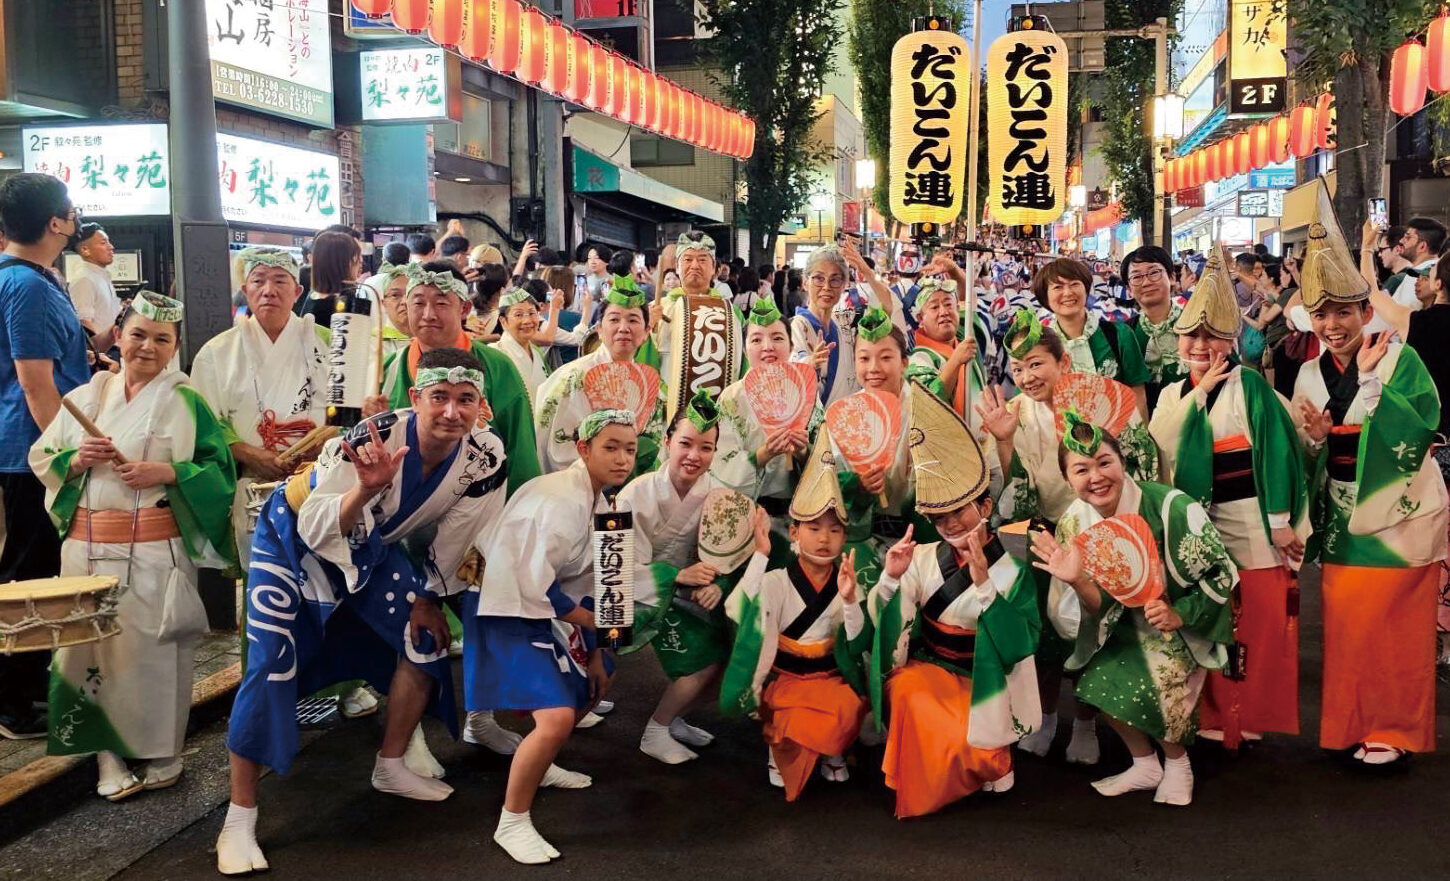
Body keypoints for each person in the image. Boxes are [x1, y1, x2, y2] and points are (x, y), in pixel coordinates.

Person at [217, 349, 510, 874]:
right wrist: (365, 488)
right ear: (415, 397)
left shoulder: (485, 455)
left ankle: (391, 764)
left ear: (480, 405)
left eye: (466, 399)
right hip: (294, 540)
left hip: (372, 547)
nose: (451, 411)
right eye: (439, 397)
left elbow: (463, 532)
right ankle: (239, 817)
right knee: (270, 665)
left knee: (424, 640)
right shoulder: (371, 437)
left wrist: (429, 598)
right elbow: (316, 524)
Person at [31, 291, 236, 798]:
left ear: (175, 348)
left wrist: (167, 472)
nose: (147, 347)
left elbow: (219, 471)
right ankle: (107, 758)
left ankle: (165, 752)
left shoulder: (186, 400)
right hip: (85, 548)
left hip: (154, 551)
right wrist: (76, 460)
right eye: (138, 334)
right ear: (118, 336)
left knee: (155, 655)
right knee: (86, 653)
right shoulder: (86, 397)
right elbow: (43, 456)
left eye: (161, 339)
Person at [1292, 193, 1447, 765]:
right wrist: (1315, 439)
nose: (1332, 325)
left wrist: (1370, 383)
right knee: (1348, 628)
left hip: (1398, 513)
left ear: (1365, 310)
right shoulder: (1307, 372)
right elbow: (1307, 449)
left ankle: (1393, 731)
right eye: (1321, 314)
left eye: (1343, 312)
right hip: (1343, 515)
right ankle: (1350, 725)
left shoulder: (1399, 357)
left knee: (1397, 625)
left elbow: (1421, 424)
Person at [975, 309, 1157, 763]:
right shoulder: (1013, 412)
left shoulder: (1099, 401)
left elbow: (1140, 462)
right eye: (1018, 368)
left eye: (1037, 363)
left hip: (1099, 527)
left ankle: (1086, 722)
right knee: (1044, 633)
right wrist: (1004, 442)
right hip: (1042, 531)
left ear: (1063, 362)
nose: (1027, 376)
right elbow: (1012, 502)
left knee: (1092, 628)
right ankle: (1047, 715)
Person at [1148, 249, 1310, 748]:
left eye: (1212, 335)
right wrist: (1199, 394)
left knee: (1256, 622)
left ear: (1232, 338)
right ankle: (1211, 713)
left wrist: (1280, 522)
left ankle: (1250, 714)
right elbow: (1160, 444)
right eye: (1191, 335)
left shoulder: (1252, 387)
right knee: (1207, 620)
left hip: (1251, 521)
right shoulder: (1173, 393)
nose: (1201, 345)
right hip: (1196, 525)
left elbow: (1278, 451)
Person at [1030, 413, 1236, 806]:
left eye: (1104, 462)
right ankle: (1145, 763)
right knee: (1092, 678)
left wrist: (1180, 612)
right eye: (1081, 470)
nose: (1096, 477)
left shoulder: (1172, 507)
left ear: (1123, 462)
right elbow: (1094, 607)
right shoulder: (1074, 522)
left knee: (1159, 673)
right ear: (1068, 480)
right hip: (1116, 625)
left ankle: (1178, 763)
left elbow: (1221, 573)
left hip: (1178, 623)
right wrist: (1077, 581)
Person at [463, 410, 636, 864]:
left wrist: (597, 650)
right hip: (503, 603)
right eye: (611, 447)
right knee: (556, 717)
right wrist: (590, 621)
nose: (622, 459)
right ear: (583, 449)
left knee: (599, 676)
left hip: (541, 601)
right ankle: (512, 820)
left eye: (630, 450)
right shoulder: (561, 499)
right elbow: (531, 581)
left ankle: (539, 762)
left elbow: (597, 584)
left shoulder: (602, 504)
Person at [870, 386, 1040, 817]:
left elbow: (1021, 645)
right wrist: (890, 579)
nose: (950, 524)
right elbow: (891, 622)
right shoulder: (922, 558)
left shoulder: (1014, 565)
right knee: (904, 688)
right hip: (933, 672)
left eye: (960, 511)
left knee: (983, 754)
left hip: (988, 682)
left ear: (985, 505)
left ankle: (991, 757)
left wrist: (985, 586)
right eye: (940, 518)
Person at [721, 440, 871, 801]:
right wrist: (760, 556)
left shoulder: (849, 580)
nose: (824, 539)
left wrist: (850, 599)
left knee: (849, 706)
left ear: (845, 537)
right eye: (814, 528)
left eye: (834, 530)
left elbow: (858, 641)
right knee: (792, 724)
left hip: (830, 678)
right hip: (786, 681)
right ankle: (782, 749)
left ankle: (833, 748)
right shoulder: (775, 581)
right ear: (794, 533)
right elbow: (738, 609)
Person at [0, 173, 93, 739]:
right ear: (55, 222)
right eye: (70, 211)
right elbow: (35, 382)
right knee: (28, 572)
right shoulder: (26, 284)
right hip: (31, 449)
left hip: (32, 443)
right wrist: (63, 455)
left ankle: (27, 685)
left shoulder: (37, 277)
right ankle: (13, 700)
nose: (75, 219)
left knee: (35, 564)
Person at [190, 248, 330, 573]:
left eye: (280, 281)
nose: (269, 290)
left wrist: (327, 443)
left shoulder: (328, 342)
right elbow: (205, 424)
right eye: (258, 281)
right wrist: (250, 455)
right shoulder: (217, 352)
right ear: (245, 289)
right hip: (254, 484)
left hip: (320, 481)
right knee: (265, 581)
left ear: (297, 291)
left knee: (322, 579)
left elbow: (351, 410)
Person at [619, 392, 733, 764]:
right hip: (645, 594)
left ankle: (675, 717)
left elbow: (728, 557)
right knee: (703, 660)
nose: (694, 455)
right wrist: (677, 576)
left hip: (690, 594)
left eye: (706, 447)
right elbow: (620, 567)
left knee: (734, 654)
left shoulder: (717, 495)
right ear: (668, 442)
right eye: (685, 443)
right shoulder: (635, 494)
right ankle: (656, 730)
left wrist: (717, 585)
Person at [372, 261, 540, 495]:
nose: (428, 315)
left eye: (441, 303)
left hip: (481, 507)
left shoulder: (498, 367)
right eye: (418, 303)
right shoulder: (388, 369)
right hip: (398, 506)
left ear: (464, 308)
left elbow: (520, 452)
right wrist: (369, 424)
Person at [534, 279, 664, 475]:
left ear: (647, 331)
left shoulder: (647, 383)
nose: (623, 328)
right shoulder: (573, 377)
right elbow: (556, 448)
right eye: (614, 320)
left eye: (633, 320)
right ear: (599, 330)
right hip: (578, 481)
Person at [712, 300, 817, 532]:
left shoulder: (807, 393)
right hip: (748, 513)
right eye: (756, 340)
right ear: (744, 350)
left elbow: (825, 459)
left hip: (799, 515)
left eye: (777, 338)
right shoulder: (731, 398)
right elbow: (721, 463)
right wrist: (763, 454)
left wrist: (802, 452)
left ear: (791, 346)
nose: (768, 347)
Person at [904, 275, 1000, 494]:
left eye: (949, 305)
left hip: (985, 445)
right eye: (934, 307)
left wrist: (952, 270)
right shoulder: (920, 358)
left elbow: (969, 297)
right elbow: (929, 403)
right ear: (920, 318)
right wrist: (956, 361)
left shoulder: (965, 337)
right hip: (947, 459)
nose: (944, 312)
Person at [1031, 258, 1149, 416]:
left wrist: (1140, 430)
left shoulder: (1120, 334)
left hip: (1118, 430)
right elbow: (1029, 401)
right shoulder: (1037, 344)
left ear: (1086, 289)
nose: (1068, 293)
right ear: (1045, 297)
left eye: (1074, 284)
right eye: (1058, 287)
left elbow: (1137, 396)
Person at [1121, 246, 1188, 411]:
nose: (1146, 282)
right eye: (1137, 277)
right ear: (1129, 290)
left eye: (1154, 272)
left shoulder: (1196, 325)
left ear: (1172, 277)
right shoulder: (1123, 334)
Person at [791, 246, 860, 405]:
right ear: (805, 282)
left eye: (835, 280)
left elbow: (888, 308)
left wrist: (865, 269)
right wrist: (810, 362)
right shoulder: (797, 326)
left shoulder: (845, 323)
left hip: (848, 415)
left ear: (844, 285)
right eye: (819, 278)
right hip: (814, 418)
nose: (827, 287)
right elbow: (792, 369)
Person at [490, 286, 555, 404]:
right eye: (518, 315)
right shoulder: (494, 354)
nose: (527, 321)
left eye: (532, 313)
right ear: (503, 321)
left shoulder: (536, 352)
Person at [68, 223, 121, 353]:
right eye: (103, 243)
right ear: (85, 250)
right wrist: (98, 354)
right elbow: (84, 322)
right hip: (101, 352)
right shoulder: (84, 279)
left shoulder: (101, 276)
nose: (111, 247)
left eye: (109, 242)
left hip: (111, 348)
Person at [298, 230, 363, 324]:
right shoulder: (348, 297)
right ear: (343, 262)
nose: (360, 261)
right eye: (356, 256)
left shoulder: (313, 295)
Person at [360, 261, 413, 360]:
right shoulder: (371, 344)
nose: (405, 301)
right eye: (395, 295)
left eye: (411, 293)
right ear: (384, 304)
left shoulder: (433, 338)